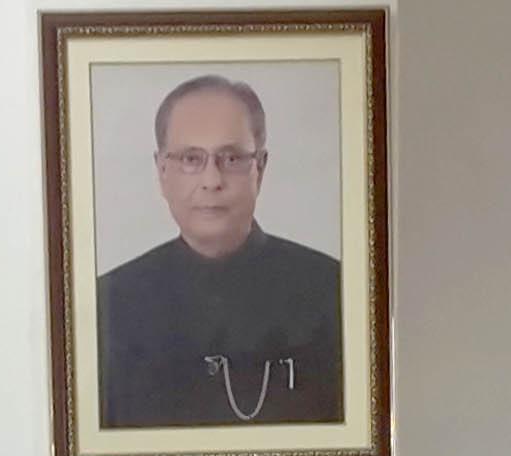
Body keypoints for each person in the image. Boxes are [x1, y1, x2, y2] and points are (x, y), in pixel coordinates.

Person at [97, 73, 343, 428]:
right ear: (161, 171)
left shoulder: (334, 292)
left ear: (261, 167)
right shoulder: (107, 303)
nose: (212, 181)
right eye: (190, 159)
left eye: (230, 158)